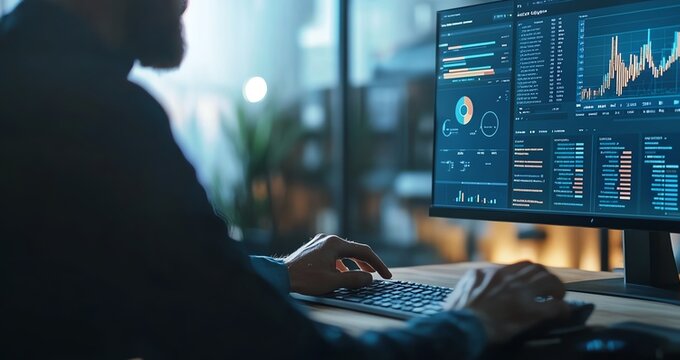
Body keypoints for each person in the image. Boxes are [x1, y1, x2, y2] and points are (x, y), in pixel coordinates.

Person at [0, 0, 570, 358]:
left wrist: (279, 273)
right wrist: (470, 322)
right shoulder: (95, 117)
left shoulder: (25, 78)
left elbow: (140, 271)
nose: (186, 3)